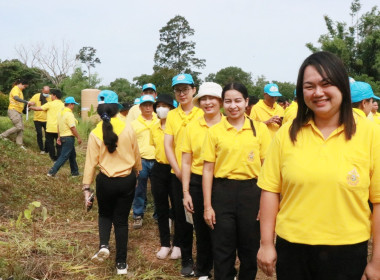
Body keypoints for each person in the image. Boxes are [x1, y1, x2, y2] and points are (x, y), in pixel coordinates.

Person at [257, 51, 380, 280]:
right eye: (309, 86)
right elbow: (270, 189)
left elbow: (378, 201)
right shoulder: (287, 134)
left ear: (342, 86)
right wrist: (266, 243)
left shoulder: (371, 134)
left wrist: (377, 261)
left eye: (326, 84)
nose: (318, 93)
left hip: (348, 250)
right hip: (292, 248)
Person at [202, 83, 271, 280]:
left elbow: (267, 169)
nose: (233, 106)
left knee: (249, 250)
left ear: (246, 102)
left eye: (238, 101)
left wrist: (264, 204)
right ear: (223, 103)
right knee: (223, 249)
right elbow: (207, 170)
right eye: (228, 101)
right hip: (222, 192)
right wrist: (208, 206)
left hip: (252, 192)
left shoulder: (259, 130)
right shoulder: (215, 132)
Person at [83, 90, 141, 275]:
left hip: (105, 182)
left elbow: (90, 163)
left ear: (99, 110)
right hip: (126, 180)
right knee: (121, 222)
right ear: (117, 108)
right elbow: (136, 155)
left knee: (105, 215)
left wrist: (86, 187)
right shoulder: (129, 127)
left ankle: (103, 245)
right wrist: (137, 173)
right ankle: (121, 264)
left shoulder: (95, 133)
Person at [181, 82, 223, 280]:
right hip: (198, 182)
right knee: (202, 228)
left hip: (223, 182)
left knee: (224, 230)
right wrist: (186, 192)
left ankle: (224, 270)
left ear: (220, 101)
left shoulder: (230, 124)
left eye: (212, 98)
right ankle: (203, 270)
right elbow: (186, 162)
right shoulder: (192, 127)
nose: (208, 103)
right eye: (204, 99)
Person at [164, 73, 203, 277]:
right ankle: (187, 259)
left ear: (194, 90)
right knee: (183, 218)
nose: (182, 93)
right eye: (178, 90)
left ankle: (206, 259)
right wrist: (178, 171)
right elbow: (168, 145)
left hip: (201, 173)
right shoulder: (172, 115)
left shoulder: (203, 112)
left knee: (204, 218)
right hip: (178, 174)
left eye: (185, 89)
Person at [149, 93, 180, 259]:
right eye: (159, 105)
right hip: (159, 168)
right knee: (161, 207)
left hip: (175, 170)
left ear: (172, 108)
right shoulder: (153, 127)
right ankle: (165, 243)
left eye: (166, 106)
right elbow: (155, 146)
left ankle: (178, 244)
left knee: (177, 207)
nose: (162, 108)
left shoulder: (178, 126)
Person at [131, 95, 158, 229]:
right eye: (145, 105)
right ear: (140, 107)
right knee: (139, 189)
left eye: (150, 105)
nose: (148, 107)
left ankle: (159, 215)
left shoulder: (159, 121)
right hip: (141, 160)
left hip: (157, 159)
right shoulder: (134, 124)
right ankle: (137, 214)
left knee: (158, 189)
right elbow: (130, 144)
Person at [47, 97, 82, 177]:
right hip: (68, 138)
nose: (74, 106)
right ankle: (52, 172)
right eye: (73, 104)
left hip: (63, 137)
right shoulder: (69, 114)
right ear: (70, 104)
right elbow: (72, 127)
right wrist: (78, 137)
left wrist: (59, 137)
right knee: (64, 156)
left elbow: (58, 126)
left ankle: (75, 172)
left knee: (72, 155)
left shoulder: (60, 113)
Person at [30, 89, 64, 161]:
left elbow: (39, 108)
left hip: (50, 128)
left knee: (50, 143)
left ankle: (53, 158)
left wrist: (31, 107)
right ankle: (59, 158)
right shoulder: (63, 105)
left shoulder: (50, 104)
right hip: (60, 129)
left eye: (51, 95)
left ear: (54, 96)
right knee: (59, 144)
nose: (50, 96)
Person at [0, 79, 33, 149]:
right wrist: (26, 102)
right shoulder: (15, 89)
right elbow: (16, 98)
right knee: (19, 127)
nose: (24, 88)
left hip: (18, 111)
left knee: (21, 128)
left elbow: (20, 102)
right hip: (13, 110)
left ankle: (19, 144)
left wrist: (27, 107)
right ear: (20, 84)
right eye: (24, 86)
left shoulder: (20, 91)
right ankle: (2, 135)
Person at [29, 86, 51, 154]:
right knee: (39, 134)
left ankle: (47, 149)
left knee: (48, 135)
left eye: (47, 93)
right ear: (42, 90)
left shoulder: (50, 97)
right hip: (37, 119)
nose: (46, 94)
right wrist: (30, 104)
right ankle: (41, 149)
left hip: (47, 119)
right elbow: (30, 102)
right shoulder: (36, 96)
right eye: (45, 93)